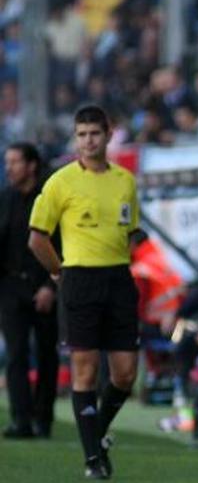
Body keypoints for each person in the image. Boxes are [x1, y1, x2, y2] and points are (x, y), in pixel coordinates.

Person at [28, 105, 140, 479]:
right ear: (75, 139)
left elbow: (130, 231)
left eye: (94, 133)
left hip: (119, 280)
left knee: (125, 373)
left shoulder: (125, 180)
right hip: (79, 280)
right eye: (82, 135)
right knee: (86, 371)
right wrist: (60, 272)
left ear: (108, 135)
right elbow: (37, 239)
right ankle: (94, 459)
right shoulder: (60, 182)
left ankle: (97, 431)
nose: (88, 141)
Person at [0, 142, 59, 439]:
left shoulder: (49, 198)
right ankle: (20, 419)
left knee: (47, 354)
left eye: (14, 162)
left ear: (32, 165)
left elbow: (61, 244)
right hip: (10, 286)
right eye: (7, 162)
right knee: (15, 354)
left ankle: (43, 418)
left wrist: (51, 285)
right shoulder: (5, 197)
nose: (8, 167)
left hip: (43, 287)